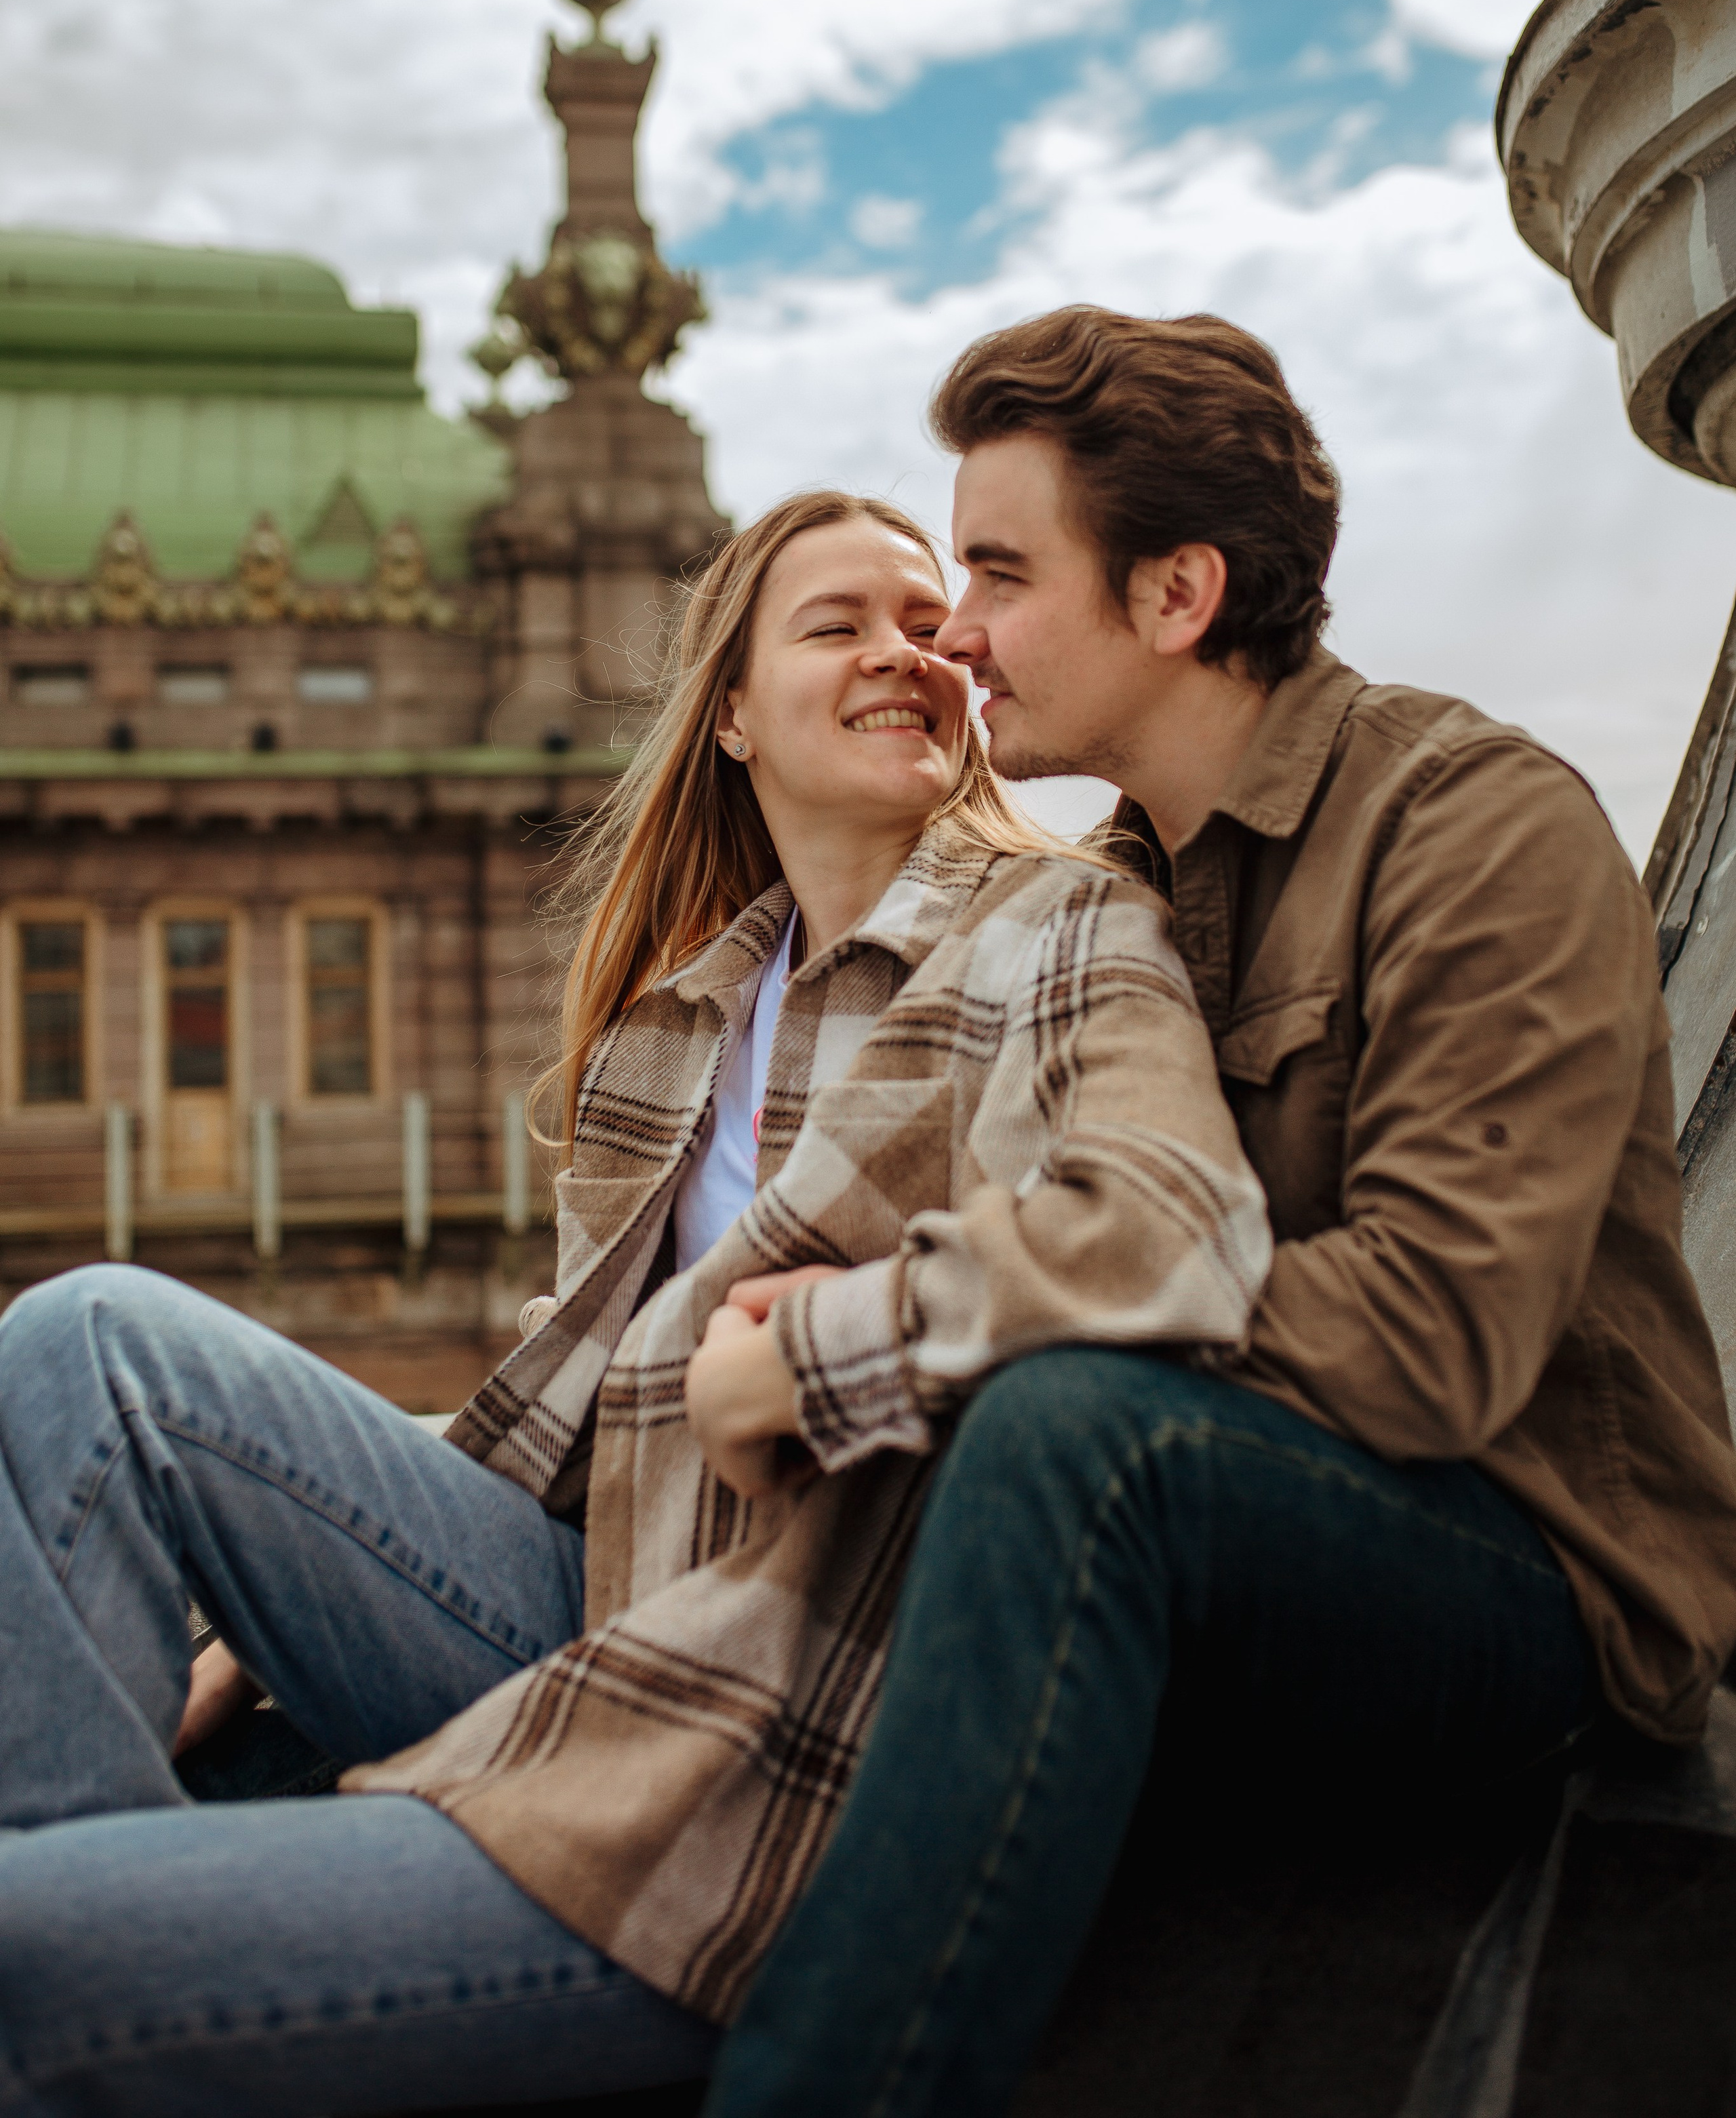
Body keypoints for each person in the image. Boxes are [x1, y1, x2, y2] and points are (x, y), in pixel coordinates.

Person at [0, 488, 1268, 2115]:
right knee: (87, 1339)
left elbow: (1173, 1230)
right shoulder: (681, 1020)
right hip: (597, 1619)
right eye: (839, 624)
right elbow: (553, 1408)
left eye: (927, 622)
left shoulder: (1057, 926)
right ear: (729, 713)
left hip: (764, 1759)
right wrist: (268, 1586)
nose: (909, 651)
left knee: (33, 1948)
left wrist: (816, 1353)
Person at [704, 310, 1736, 2118]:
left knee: (1060, 1431)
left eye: (1002, 574)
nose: (954, 630)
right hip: (1242, 1535)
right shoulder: (1102, 898)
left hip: (1538, 1570)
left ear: (1176, 593)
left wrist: (921, 1336)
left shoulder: (1473, 821)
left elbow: (1433, 1337)